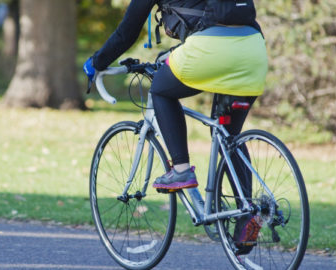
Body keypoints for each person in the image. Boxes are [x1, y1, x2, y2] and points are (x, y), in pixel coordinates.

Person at [84, 0, 268, 255]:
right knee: (230, 135)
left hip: (210, 50)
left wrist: (96, 62)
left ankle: (180, 169)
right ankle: (247, 212)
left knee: (160, 91)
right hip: (253, 49)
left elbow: (127, 32)